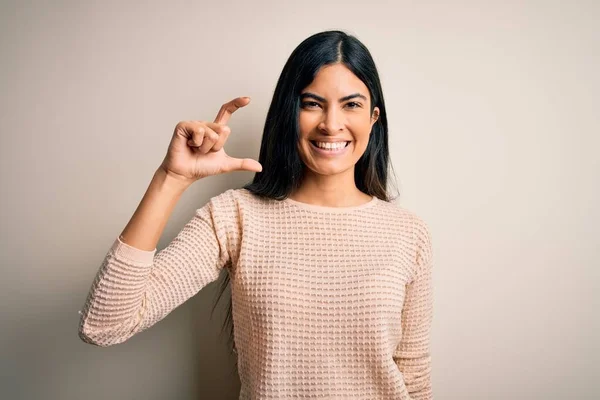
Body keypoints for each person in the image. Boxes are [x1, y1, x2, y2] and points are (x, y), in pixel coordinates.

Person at [78, 30, 434, 400]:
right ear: (288, 113)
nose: (331, 123)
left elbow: (414, 375)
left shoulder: (408, 233)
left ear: (374, 118)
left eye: (351, 105)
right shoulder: (236, 217)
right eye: (312, 103)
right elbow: (105, 325)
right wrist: (171, 178)